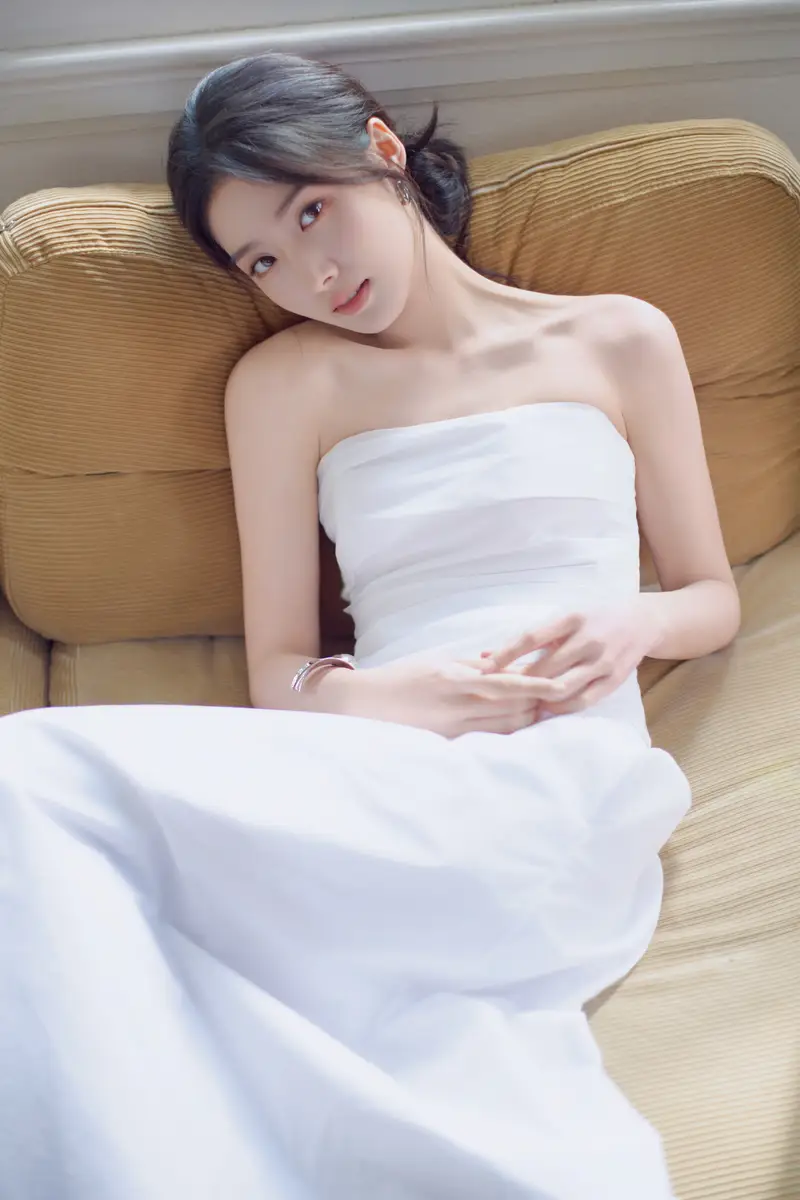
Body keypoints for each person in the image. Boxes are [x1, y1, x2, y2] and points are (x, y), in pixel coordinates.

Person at [0, 52, 740, 1200]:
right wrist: (403, 696)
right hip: (373, 755)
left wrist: (628, 622)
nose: (312, 274)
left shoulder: (614, 339)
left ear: (381, 152)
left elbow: (709, 596)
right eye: (263, 260)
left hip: (556, 780)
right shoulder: (283, 385)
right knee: (23, 775)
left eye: (312, 212)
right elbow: (282, 669)